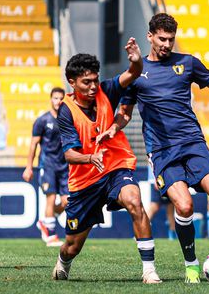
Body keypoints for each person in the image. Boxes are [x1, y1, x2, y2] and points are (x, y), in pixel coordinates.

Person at [98, 13, 209, 282]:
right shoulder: (137, 73)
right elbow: (126, 113)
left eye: (171, 39)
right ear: (150, 36)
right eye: (162, 39)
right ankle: (191, 265)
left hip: (193, 143)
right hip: (163, 152)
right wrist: (114, 127)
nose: (166, 44)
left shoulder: (187, 63)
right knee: (185, 206)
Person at [52, 39, 161, 284]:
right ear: (72, 82)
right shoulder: (66, 110)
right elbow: (69, 154)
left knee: (134, 200)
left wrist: (136, 60)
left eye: (95, 80)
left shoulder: (107, 90)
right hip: (85, 181)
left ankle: (149, 271)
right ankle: (63, 262)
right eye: (86, 82)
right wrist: (91, 157)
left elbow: (132, 73)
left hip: (115, 166)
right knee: (72, 246)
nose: (93, 87)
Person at [23, 87, 69, 247]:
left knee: (67, 201)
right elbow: (33, 144)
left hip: (64, 166)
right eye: (55, 98)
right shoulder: (42, 120)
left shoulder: (67, 119)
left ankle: (45, 221)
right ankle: (50, 235)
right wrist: (29, 167)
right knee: (50, 197)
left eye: (61, 98)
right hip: (48, 164)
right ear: (51, 99)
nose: (58, 101)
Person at [146, 163, 176, 240]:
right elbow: (152, 162)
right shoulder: (152, 152)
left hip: (168, 181)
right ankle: (141, 232)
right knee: (154, 207)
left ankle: (172, 235)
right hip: (157, 181)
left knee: (170, 209)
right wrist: (155, 179)